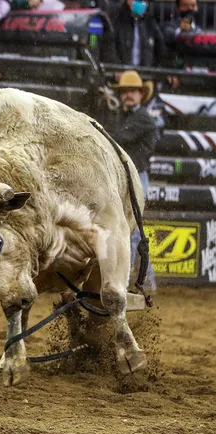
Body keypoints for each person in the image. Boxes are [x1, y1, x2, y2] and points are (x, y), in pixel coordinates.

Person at [103, 70, 158, 290]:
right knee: (132, 230)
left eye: (132, 91)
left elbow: (118, 137)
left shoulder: (141, 117)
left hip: (136, 177)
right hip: (127, 177)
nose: (128, 95)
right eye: (125, 91)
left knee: (132, 230)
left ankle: (131, 281)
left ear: (140, 94)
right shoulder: (126, 116)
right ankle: (145, 281)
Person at [107, 0, 168, 68]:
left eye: (145, 1)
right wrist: (116, 68)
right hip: (121, 73)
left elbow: (160, 47)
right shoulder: (115, 17)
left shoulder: (149, 21)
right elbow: (109, 46)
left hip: (143, 74)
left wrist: (153, 71)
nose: (142, 3)